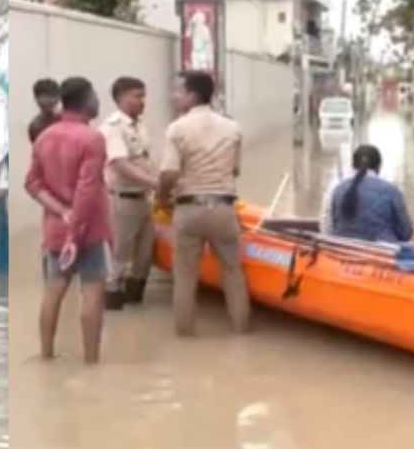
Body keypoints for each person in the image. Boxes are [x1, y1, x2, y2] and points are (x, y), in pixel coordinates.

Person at [24, 76, 112, 364]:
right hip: (88, 229)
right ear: (85, 101)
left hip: (56, 228)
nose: (98, 101)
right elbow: (87, 190)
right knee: (92, 291)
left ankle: (46, 355)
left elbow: (32, 184)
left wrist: (61, 211)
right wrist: (76, 228)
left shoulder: (45, 136)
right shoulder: (92, 138)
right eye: (95, 96)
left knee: (54, 288)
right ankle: (91, 362)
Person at [158, 70, 249, 337]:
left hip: (189, 209)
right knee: (233, 274)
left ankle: (185, 337)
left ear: (192, 94)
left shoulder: (177, 129)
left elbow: (169, 173)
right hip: (224, 209)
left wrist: (161, 197)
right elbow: (235, 170)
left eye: (179, 91)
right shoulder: (233, 128)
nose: (174, 96)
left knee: (185, 278)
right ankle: (241, 331)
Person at [99, 76, 158, 309]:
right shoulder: (112, 128)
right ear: (121, 98)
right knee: (119, 253)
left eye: (144, 96)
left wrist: (157, 184)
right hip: (122, 200)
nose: (143, 101)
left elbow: (145, 159)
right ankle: (112, 299)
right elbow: (121, 164)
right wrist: (156, 183)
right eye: (137, 96)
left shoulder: (140, 125)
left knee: (145, 254)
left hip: (143, 198)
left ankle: (135, 298)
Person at [323, 144, 414, 243]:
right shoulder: (391, 191)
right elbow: (406, 233)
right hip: (382, 250)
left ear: (353, 165)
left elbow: (327, 229)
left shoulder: (337, 189)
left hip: (343, 248)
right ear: (378, 166)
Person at [28, 78, 61, 143]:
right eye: (44, 97)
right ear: (36, 99)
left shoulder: (66, 119)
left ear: (59, 97)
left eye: (51, 96)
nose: (47, 101)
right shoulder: (35, 126)